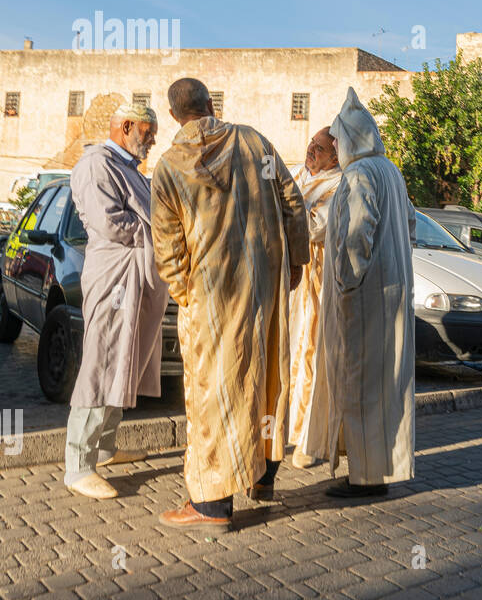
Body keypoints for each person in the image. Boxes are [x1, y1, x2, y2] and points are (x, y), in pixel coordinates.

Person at [151, 78, 309, 529]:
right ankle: (262, 477)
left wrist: (187, 294)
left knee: (213, 393)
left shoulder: (169, 167)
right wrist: (294, 263)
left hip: (212, 295)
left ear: (174, 115)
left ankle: (211, 504)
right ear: (210, 105)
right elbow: (292, 202)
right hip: (262, 286)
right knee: (264, 375)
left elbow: (167, 247)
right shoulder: (254, 143)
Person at [63, 105, 168, 500]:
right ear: (126, 127)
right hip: (114, 277)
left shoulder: (128, 170)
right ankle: (78, 465)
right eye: (148, 130)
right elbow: (111, 223)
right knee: (103, 362)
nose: (154, 139)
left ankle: (104, 447)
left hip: (136, 276)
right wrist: (160, 230)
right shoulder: (96, 164)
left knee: (124, 361)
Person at [319, 86, 416, 499]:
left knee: (360, 380)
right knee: (386, 383)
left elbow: (359, 231)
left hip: (366, 294)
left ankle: (364, 477)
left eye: (338, 139)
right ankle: (379, 467)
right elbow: (409, 225)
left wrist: (346, 280)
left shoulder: (360, 174)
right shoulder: (390, 170)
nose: (335, 146)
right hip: (392, 289)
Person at [286, 127, 342, 469]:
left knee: (309, 354)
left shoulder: (338, 185)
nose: (311, 151)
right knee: (286, 352)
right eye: (311, 144)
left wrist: (284, 209)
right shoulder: (296, 172)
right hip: (288, 279)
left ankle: (308, 439)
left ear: (335, 157)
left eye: (319, 148)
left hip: (315, 281)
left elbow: (316, 227)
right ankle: (283, 429)